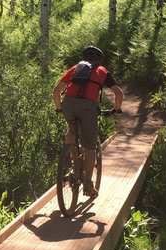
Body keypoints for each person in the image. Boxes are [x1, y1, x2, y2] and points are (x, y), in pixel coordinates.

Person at [52, 45, 123, 197]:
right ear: (99, 60)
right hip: (87, 107)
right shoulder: (102, 71)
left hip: (68, 104)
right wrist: (116, 109)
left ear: (85, 58)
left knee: (72, 127)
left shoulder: (76, 68)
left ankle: (68, 154)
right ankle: (88, 185)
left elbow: (56, 91)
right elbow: (118, 93)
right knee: (90, 147)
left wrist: (59, 108)